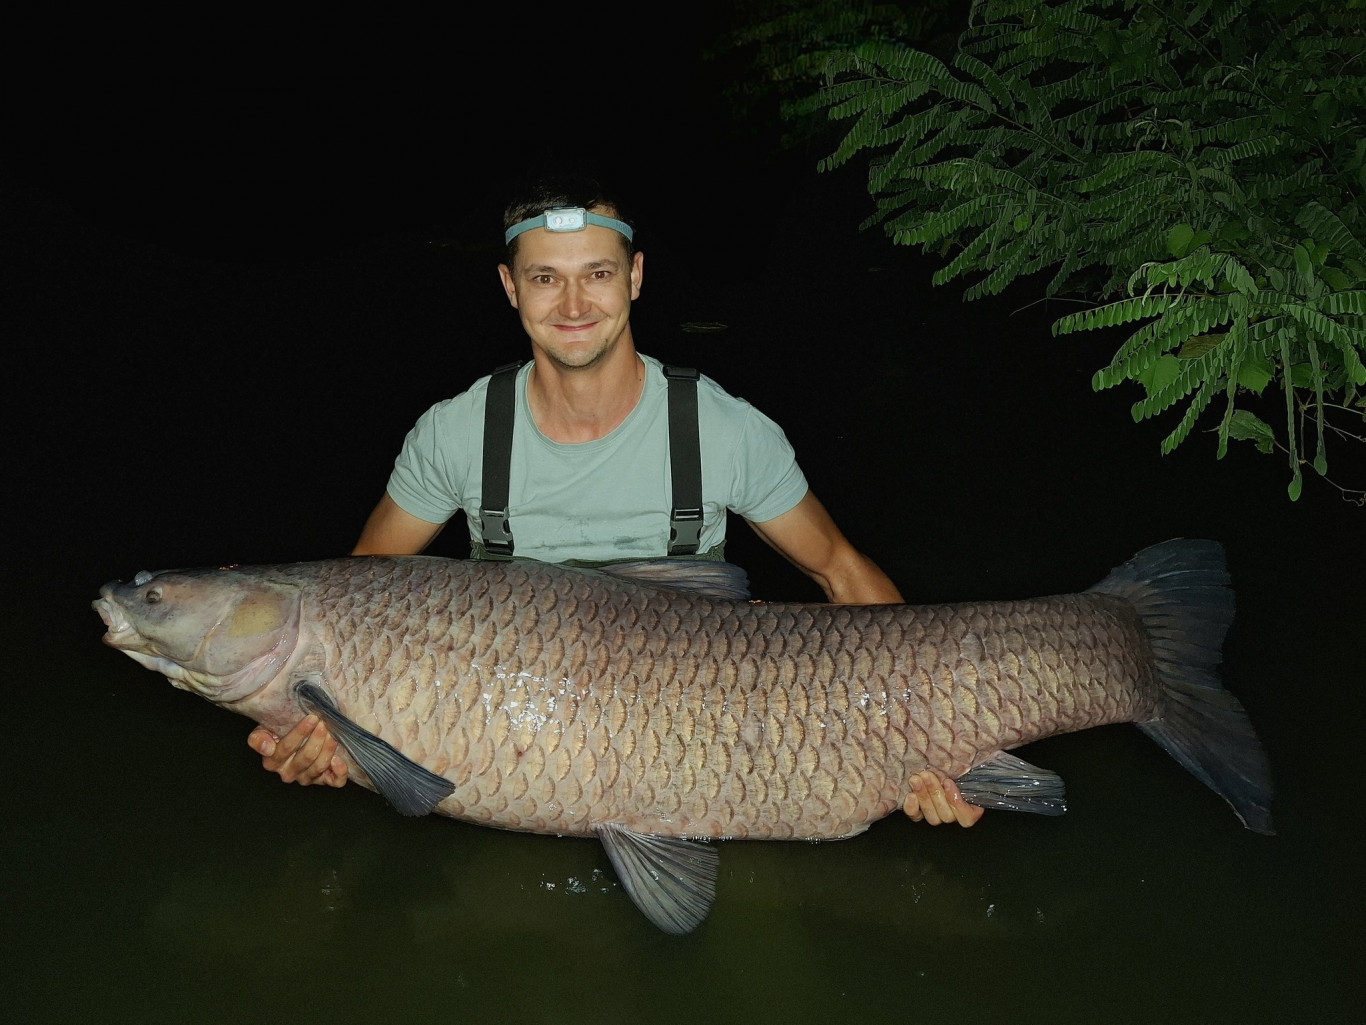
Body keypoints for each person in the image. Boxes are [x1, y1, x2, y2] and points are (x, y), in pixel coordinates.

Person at [247, 174, 982, 829]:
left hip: (713, 743)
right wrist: (323, 731)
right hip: (512, 759)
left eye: (596, 273)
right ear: (510, 287)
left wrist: (931, 739)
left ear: (634, 276)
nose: (573, 303)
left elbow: (841, 572)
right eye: (545, 279)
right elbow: (357, 593)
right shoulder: (456, 433)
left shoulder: (723, 429)